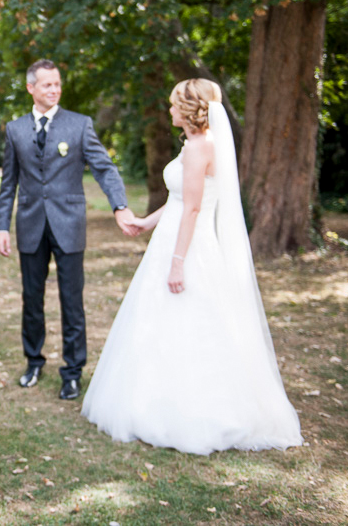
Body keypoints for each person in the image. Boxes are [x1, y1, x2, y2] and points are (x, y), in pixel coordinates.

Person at [81, 78, 303, 455]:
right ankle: (152, 401)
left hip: (189, 248)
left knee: (194, 322)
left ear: (188, 108)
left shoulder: (203, 147)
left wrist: (178, 262)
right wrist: (145, 223)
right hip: (171, 239)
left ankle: (196, 411)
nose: (168, 110)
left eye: (173, 104)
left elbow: (196, 209)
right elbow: (181, 200)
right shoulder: (192, 146)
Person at [0, 59, 137, 400]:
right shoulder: (15, 130)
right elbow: (8, 182)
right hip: (30, 225)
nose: (54, 89)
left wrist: (119, 205)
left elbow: (104, 168)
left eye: (57, 84)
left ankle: (72, 372)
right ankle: (34, 361)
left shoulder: (79, 125)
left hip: (69, 225)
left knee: (72, 302)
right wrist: (2, 227)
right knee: (32, 300)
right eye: (47, 84)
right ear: (31, 87)